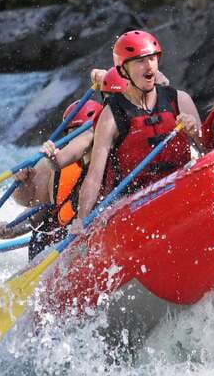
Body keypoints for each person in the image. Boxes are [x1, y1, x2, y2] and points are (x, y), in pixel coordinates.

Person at [72, 30, 201, 231]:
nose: (149, 66)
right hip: (134, 204)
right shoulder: (112, 115)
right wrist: (81, 221)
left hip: (179, 189)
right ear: (123, 71)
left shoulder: (180, 99)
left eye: (152, 59)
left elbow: (207, 150)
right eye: (140, 61)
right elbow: (94, 176)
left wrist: (194, 131)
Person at [0, 99, 103, 259]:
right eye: (71, 132)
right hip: (51, 245)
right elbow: (36, 207)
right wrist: (12, 228)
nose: (76, 139)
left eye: (82, 131)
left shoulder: (111, 158)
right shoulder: (53, 163)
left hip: (84, 240)